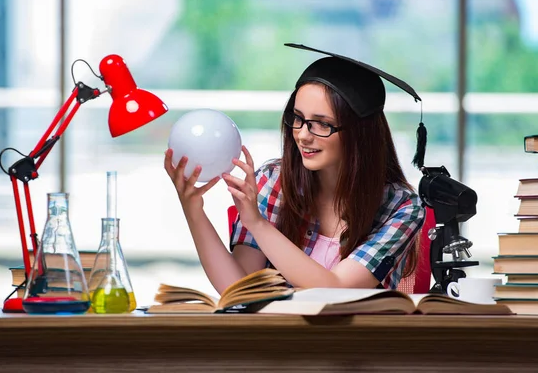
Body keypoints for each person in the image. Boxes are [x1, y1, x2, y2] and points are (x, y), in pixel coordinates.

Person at [164, 43, 426, 294]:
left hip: (354, 339)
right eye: (298, 118)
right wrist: (193, 210)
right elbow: (238, 289)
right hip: (278, 337)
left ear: (360, 134)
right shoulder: (272, 182)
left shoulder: (401, 207)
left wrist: (257, 223)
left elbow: (336, 290)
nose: (302, 135)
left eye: (322, 124)